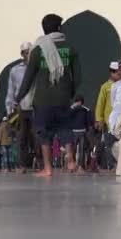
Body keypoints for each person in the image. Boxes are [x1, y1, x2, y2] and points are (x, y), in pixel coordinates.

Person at [15, 13, 81, 177]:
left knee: (44, 133)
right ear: (59, 28)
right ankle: (71, 160)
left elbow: (28, 78)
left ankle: (48, 168)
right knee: (65, 128)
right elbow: (78, 77)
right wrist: (70, 91)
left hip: (43, 99)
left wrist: (18, 97)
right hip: (63, 98)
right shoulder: (70, 48)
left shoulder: (38, 49)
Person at [6, 41, 37, 173]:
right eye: (25, 52)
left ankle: (40, 163)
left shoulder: (38, 68)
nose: (27, 54)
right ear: (21, 54)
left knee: (37, 137)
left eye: (29, 52)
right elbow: (11, 91)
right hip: (21, 108)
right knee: (21, 138)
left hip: (36, 107)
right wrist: (9, 109)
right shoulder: (15, 70)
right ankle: (21, 165)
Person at [94, 61, 119, 170]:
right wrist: (99, 119)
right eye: (117, 73)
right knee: (109, 145)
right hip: (109, 122)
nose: (119, 75)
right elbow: (100, 103)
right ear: (111, 73)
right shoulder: (105, 87)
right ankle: (111, 165)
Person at [70, 95, 94, 173]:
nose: (78, 103)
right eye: (77, 102)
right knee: (72, 150)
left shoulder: (85, 110)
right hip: (73, 132)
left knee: (82, 150)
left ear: (82, 102)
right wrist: (73, 107)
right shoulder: (71, 109)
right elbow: (67, 116)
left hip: (82, 132)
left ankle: (81, 166)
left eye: (80, 102)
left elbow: (89, 120)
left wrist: (88, 129)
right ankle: (72, 166)